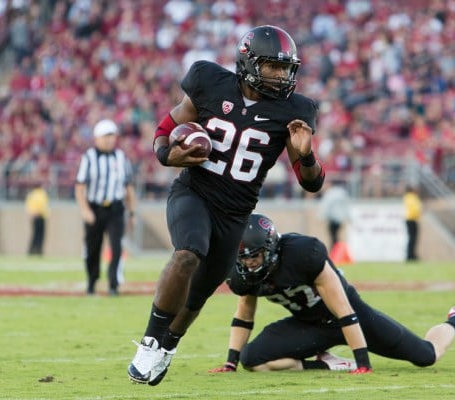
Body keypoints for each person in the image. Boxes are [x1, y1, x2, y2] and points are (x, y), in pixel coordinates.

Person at [127, 25, 326, 386]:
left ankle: (168, 346)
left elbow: (311, 183)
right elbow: (165, 128)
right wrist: (168, 155)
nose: (282, 76)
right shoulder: (209, 82)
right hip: (194, 193)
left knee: (200, 293)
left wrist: (307, 153)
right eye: (272, 67)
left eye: (285, 68)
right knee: (188, 252)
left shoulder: (295, 111)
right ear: (248, 62)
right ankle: (151, 340)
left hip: (235, 211)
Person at [209, 214, 455, 374]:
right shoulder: (243, 275)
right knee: (254, 360)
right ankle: (324, 363)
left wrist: (363, 362)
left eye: (254, 256)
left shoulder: (303, 254)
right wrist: (230, 362)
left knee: (426, 356)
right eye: (243, 258)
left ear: (271, 248)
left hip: (350, 316)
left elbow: (344, 309)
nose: (248, 263)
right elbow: (244, 314)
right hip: (309, 324)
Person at [74, 119, 137, 296]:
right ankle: (92, 282)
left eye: (112, 136)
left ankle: (113, 285)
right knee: (93, 248)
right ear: (97, 138)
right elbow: (79, 186)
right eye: (106, 136)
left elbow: (129, 187)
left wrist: (132, 212)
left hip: (116, 209)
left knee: (116, 247)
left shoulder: (121, 157)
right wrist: (85, 210)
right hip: (95, 208)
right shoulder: (89, 157)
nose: (110, 140)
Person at [318, 180, 351, 250]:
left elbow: (326, 207)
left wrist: (321, 217)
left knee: (333, 236)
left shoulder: (329, 194)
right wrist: (348, 217)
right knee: (336, 236)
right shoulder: (341, 193)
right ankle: (337, 250)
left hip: (333, 219)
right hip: (340, 218)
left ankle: (335, 251)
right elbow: (346, 205)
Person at [25, 182, 50, 256]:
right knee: (40, 235)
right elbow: (43, 206)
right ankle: (38, 251)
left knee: (35, 235)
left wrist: (31, 214)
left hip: (34, 217)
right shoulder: (42, 194)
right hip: (40, 216)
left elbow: (29, 206)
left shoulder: (31, 195)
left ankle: (32, 251)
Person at [403, 185, 422, 261]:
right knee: (412, 239)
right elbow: (415, 209)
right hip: (412, 219)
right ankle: (410, 255)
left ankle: (411, 254)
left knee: (412, 238)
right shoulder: (412, 197)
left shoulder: (408, 197)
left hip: (410, 219)